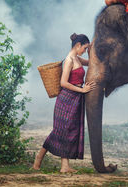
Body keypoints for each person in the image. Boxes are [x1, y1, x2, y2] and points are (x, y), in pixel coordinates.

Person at [33, 33, 97, 173]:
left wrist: (92, 48)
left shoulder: (78, 58)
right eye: (84, 48)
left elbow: (92, 62)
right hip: (67, 99)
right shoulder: (69, 60)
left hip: (75, 99)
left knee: (68, 131)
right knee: (60, 131)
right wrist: (82, 90)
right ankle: (39, 158)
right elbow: (63, 83)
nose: (85, 51)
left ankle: (64, 166)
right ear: (78, 45)